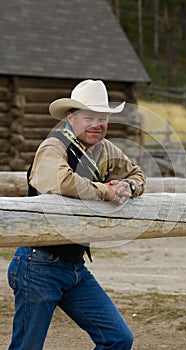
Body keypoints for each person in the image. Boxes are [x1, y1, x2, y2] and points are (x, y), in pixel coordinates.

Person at [7, 79, 145, 350]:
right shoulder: (53, 146)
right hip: (38, 263)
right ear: (71, 117)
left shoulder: (104, 149)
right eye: (89, 117)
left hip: (73, 266)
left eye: (102, 118)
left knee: (118, 338)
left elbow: (136, 174)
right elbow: (61, 181)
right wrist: (106, 191)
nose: (97, 124)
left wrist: (128, 186)